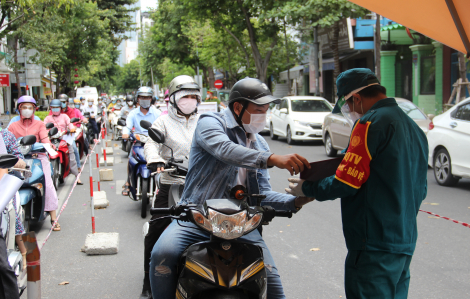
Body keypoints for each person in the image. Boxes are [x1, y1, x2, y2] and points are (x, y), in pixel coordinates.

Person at [148, 77, 313, 299]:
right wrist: (273, 159)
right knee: (162, 254)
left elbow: (262, 195)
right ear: (238, 107)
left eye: (266, 110)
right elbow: (226, 150)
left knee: (272, 280)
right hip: (196, 217)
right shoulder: (210, 123)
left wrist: (296, 200)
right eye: (259, 110)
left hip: (240, 225)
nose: (263, 115)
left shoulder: (259, 143)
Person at [285, 68, 428, 299]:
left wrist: (307, 188)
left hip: (372, 244)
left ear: (357, 98)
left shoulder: (369, 123)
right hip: (403, 241)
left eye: (348, 106)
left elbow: (347, 181)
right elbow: (421, 190)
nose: (349, 112)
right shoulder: (415, 129)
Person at [141, 76, 201, 298]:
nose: (190, 100)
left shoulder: (204, 120)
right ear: (174, 98)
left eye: (193, 96)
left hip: (201, 184)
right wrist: (155, 159)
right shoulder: (162, 122)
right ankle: (148, 280)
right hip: (171, 183)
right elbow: (151, 143)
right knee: (156, 231)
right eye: (185, 96)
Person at [7, 96, 61, 231]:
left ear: (34, 109)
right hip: (18, 160)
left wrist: (48, 145)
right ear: (19, 108)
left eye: (30, 107)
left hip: (38, 157)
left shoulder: (39, 124)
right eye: (24, 107)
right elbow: (7, 141)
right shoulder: (13, 126)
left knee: (48, 184)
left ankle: (54, 218)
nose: (27, 110)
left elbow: (44, 139)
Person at [121, 86, 161, 196]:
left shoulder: (157, 113)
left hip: (154, 143)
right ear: (137, 99)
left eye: (147, 97)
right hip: (138, 142)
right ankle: (128, 182)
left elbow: (163, 126)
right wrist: (125, 133)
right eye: (142, 97)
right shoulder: (133, 113)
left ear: (151, 99)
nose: (145, 99)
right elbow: (127, 126)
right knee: (131, 159)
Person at [44, 99, 83, 184]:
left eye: (57, 107)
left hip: (64, 137)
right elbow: (43, 127)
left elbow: (70, 124)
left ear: (60, 108)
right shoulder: (48, 118)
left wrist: (72, 129)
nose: (55, 109)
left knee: (72, 152)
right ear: (50, 108)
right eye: (53, 108)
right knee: (43, 153)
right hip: (51, 139)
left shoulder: (64, 116)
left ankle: (77, 176)